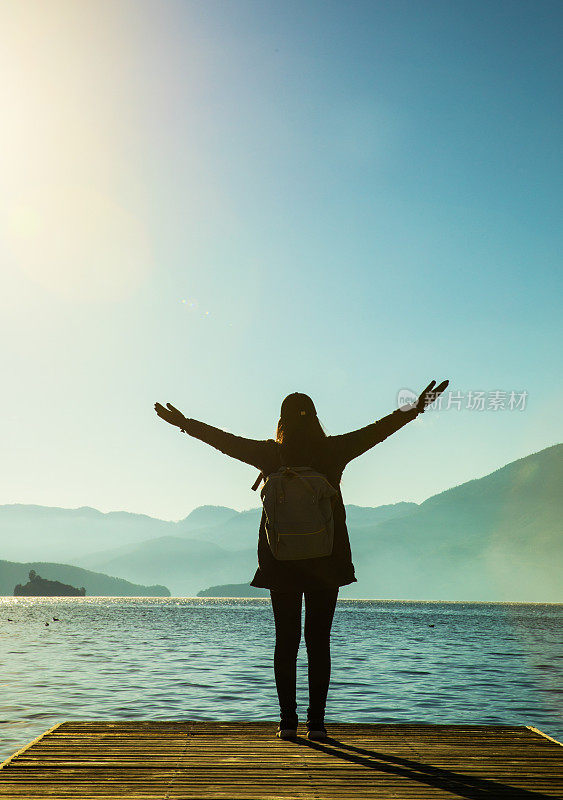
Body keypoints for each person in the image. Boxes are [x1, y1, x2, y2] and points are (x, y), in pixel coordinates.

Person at [154, 378, 449, 741]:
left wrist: (186, 424)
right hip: (327, 559)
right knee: (319, 641)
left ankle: (288, 723)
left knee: (286, 641)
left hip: (281, 561)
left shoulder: (270, 455)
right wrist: (416, 408)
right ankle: (318, 724)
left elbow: (225, 443)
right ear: (315, 418)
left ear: (282, 421)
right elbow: (379, 430)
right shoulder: (333, 451)